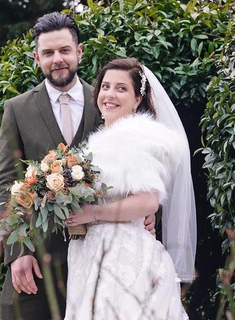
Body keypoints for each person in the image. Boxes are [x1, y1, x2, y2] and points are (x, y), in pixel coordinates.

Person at [0, 13, 155, 319]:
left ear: (78, 52)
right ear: (36, 58)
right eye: (48, 53)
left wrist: (147, 211)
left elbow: (135, 166)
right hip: (39, 256)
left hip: (103, 258)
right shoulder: (17, 109)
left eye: (65, 50)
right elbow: (6, 184)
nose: (58, 59)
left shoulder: (106, 101)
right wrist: (19, 251)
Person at [64, 58, 197, 319]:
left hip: (123, 257)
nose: (110, 95)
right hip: (93, 254)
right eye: (105, 86)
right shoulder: (101, 141)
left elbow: (147, 202)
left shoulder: (135, 137)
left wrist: (90, 214)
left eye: (121, 89)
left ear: (138, 99)